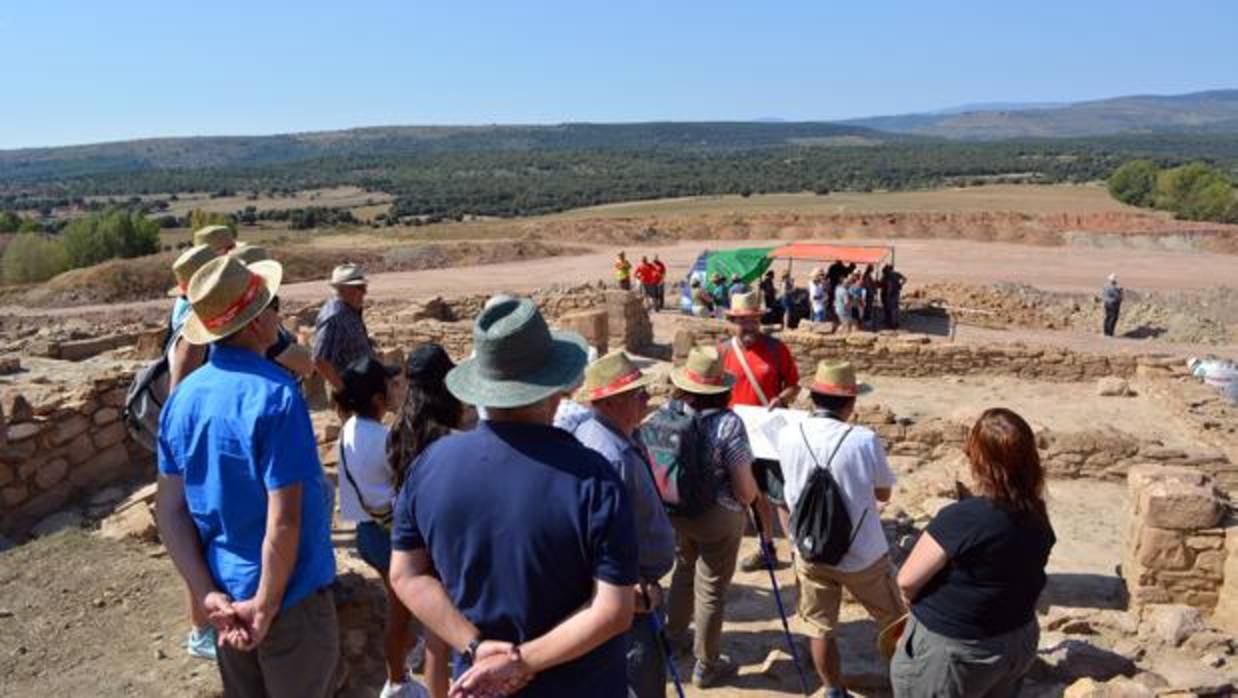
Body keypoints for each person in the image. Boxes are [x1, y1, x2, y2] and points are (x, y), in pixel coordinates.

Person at [389, 297, 638, 697]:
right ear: (557, 389)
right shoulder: (593, 478)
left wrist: (477, 647)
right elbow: (612, 609)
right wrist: (521, 660)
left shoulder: (430, 466)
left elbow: (407, 574)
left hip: (478, 684)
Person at [155, 255, 338, 697]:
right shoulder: (274, 397)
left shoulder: (181, 401)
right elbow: (284, 520)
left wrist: (207, 595)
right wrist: (266, 605)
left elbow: (170, 511)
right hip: (288, 600)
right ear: (258, 322)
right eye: (272, 304)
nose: (279, 313)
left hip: (225, 599)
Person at [893, 408, 1056, 698]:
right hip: (1015, 637)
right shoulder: (1035, 511)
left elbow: (907, 580)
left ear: (980, 462)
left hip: (958, 651)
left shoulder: (965, 518)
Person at [777, 361, 904, 698]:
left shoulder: (789, 433)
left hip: (810, 549)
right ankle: (907, 683)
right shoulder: (862, 440)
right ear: (850, 404)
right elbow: (883, 493)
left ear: (814, 398)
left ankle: (833, 689)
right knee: (894, 620)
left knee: (819, 626)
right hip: (862, 553)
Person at [572, 351, 676, 698]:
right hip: (629, 598)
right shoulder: (611, 456)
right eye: (639, 395)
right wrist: (627, 587)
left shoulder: (611, 435)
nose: (647, 400)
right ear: (612, 403)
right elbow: (601, 536)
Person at [333, 356, 433, 698]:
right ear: (378, 399)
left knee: (399, 604)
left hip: (365, 531)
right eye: (389, 386)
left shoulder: (348, 429)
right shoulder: (386, 437)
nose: (395, 390)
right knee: (401, 612)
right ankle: (397, 679)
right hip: (388, 534)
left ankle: (407, 658)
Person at [663, 346, 759, 688]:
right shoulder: (729, 424)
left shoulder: (670, 410)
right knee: (712, 588)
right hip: (718, 515)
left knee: (683, 572)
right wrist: (752, 500)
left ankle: (673, 640)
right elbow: (745, 488)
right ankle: (706, 663)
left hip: (676, 510)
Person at [717, 291, 802, 573]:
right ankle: (767, 548)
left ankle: (798, 554)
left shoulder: (777, 350)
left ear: (760, 320)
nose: (748, 326)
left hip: (769, 435)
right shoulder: (723, 352)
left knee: (781, 495)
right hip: (736, 436)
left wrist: (782, 398)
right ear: (733, 321)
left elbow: (793, 384)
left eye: (753, 320)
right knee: (753, 495)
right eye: (742, 321)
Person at [230, 244, 315, 379]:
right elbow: (308, 364)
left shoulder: (227, 316)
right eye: (272, 303)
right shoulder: (258, 317)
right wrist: (301, 337)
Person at [313, 263, 375, 392]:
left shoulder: (350, 309)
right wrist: (343, 389)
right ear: (344, 289)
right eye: (361, 287)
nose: (365, 292)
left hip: (362, 383)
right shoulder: (334, 318)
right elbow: (320, 360)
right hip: (351, 388)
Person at [880, 264, 907, 330]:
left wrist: (900, 285)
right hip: (893, 293)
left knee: (892, 309)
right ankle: (891, 322)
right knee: (892, 308)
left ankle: (893, 324)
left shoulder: (889, 276)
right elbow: (904, 279)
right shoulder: (894, 274)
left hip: (890, 294)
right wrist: (900, 285)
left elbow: (889, 287)